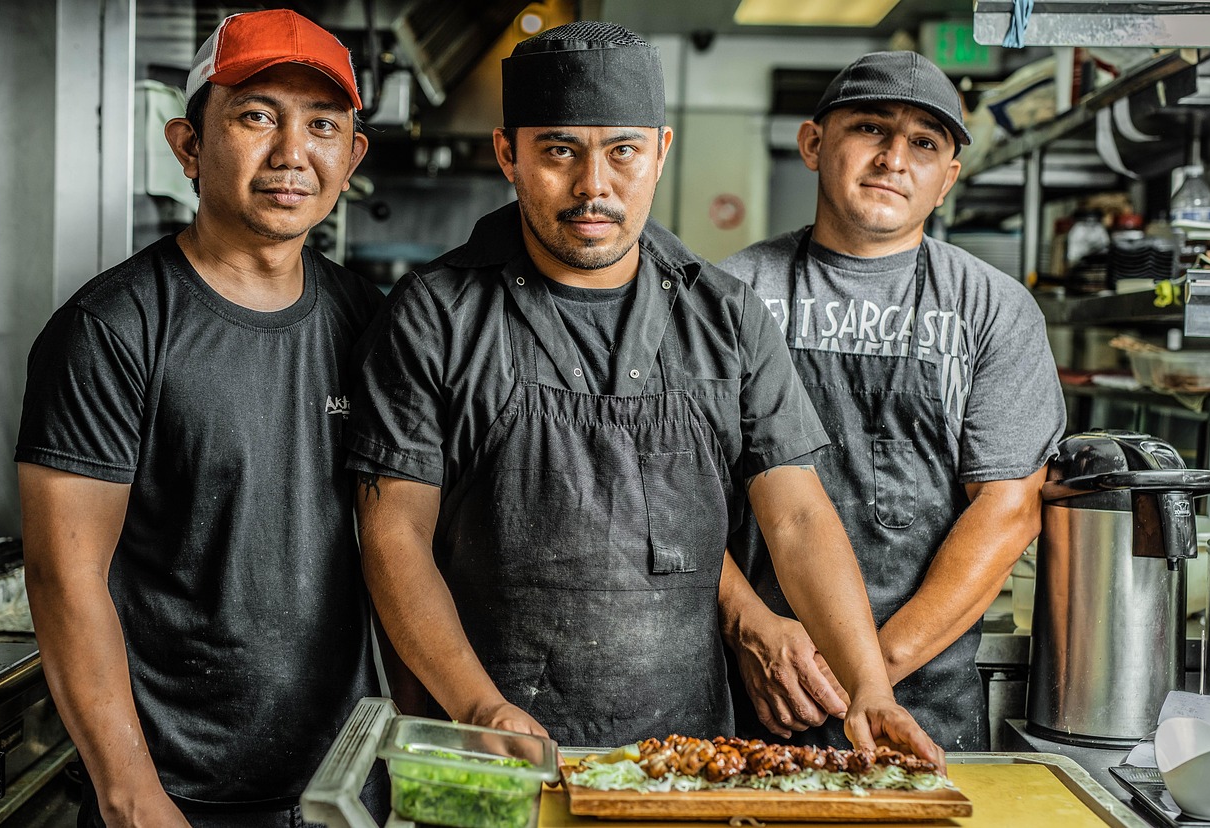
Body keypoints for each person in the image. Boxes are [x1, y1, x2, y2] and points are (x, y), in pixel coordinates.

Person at [347, 22, 941, 765]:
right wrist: (477, 705)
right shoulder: (435, 315)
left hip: (687, 752)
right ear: (509, 153)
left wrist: (869, 689)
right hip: (491, 751)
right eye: (559, 150)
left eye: (622, 150)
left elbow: (795, 515)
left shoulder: (725, 316)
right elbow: (392, 536)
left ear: (660, 151)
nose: (593, 185)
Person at [15, 10, 386, 826]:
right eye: (256, 117)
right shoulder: (111, 330)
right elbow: (64, 578)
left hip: (340, 791)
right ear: (189, 146)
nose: (293, 153)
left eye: (322, 125)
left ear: (351, 157)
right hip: (175, 797)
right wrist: (129, 794)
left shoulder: (371, 324)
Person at [721, 50, 1065, 751]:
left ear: (947, 180)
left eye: (924, 143)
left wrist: (867, 674)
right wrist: (748, 623)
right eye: (872, 129)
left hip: (920, 700)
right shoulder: (728, 295)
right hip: (748, 684)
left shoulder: (993, 309)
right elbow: (669, 494)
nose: (894, 159)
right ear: (815, 144)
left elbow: (1007, 508)